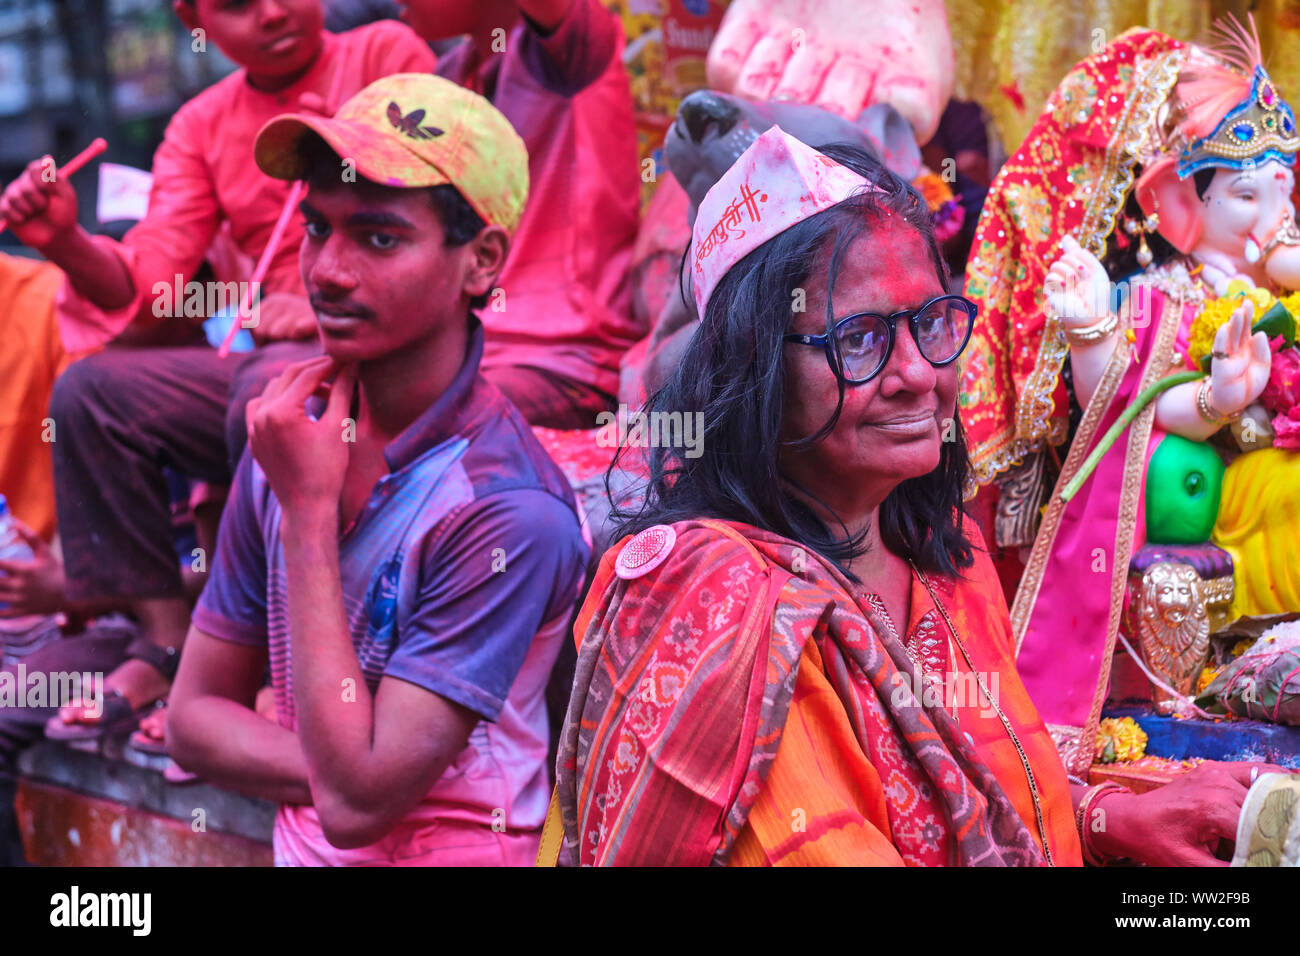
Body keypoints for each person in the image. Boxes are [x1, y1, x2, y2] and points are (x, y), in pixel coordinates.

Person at [551, 127, 1286, 866]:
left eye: (932, 323)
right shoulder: (708, 596)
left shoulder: (943, 565)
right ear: (756, 366)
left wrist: (1104, 816)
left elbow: (984, 785)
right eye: (860, 339)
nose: (916, 373)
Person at [168, 73, 589, 866]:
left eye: (379, 237)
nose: (326, 272)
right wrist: (344, 765)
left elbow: (359, 805)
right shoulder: (292, 436)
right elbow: (194, 718)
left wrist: (307, 513)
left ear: (482, 262)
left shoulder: (507, 512)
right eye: (317, 229)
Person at [0, 0, 437, 740]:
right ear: (191, 16)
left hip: (387, 346)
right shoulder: (202, 124)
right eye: (235, 4)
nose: (271, 13)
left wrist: (342, 155)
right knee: (93, 393)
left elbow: (443, 208)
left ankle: (271, 666)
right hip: (272, 355)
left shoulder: (382, 52)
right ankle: (165, 637)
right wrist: (69, 241)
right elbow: (149, 288)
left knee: (264, 392)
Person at [961, 21, 1300, 771]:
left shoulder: (1279, 296)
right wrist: (1211, 393)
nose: (1272, 215)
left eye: (1283, 189)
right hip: (1209, 483)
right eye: (1245, 192)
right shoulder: (1159, 299)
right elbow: (1126, 402)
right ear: (1183, 204)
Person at [399, 0, 642, 429]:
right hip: (471, 349)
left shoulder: (572, 49)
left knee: (424, 421)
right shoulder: (450, 78)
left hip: (567, 359)